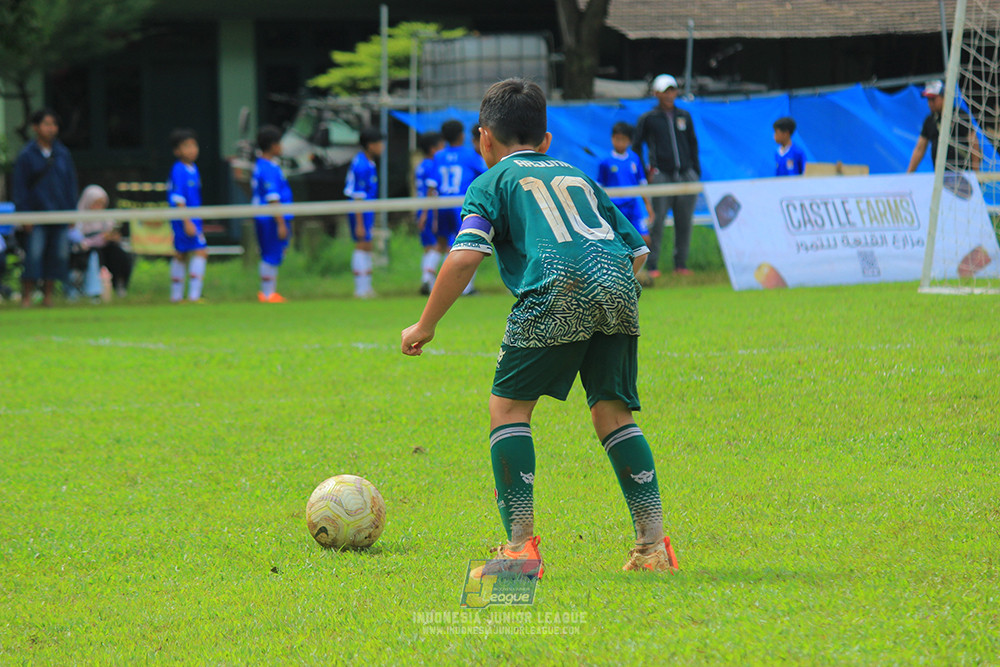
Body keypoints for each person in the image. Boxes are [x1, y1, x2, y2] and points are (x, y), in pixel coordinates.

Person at [401, 78, 680, 576]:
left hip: (556, 288)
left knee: (508, 409)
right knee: (613, 414)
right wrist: (603, 295)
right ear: (545, 140)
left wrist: (425, 324)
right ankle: (654, 548)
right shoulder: (575, 174)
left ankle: (520, 549)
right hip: (618, 285)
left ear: (484, 138)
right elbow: (638, 250)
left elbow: (466, 256)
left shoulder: (490, 182)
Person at [633, 74, 701, 277]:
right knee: (657, 222)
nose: (670, 94)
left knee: (684, 221)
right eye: (665, 91)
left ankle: (681, 264)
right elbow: (637, 147)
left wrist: (695, 171)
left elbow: (692, 144)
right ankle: (652, 266)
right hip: (661, 175)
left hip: (685, 175)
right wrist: (647, 171)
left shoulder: (684, 116)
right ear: (656, 94)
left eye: (672, 90)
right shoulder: (649, 118)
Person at [12, 108, 78, 307]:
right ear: (35, 127)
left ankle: (48, 296)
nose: (51, 129)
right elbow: (19, 187)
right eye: (47, 124)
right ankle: (27, 296)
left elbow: (70, 184)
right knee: (33, 254)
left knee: (58, 255)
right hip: (35, 213)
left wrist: (71, 212)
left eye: (54, 125)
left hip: (59, 213)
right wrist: (24, 216)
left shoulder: (63, 153)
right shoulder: (26, 155)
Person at [426, 119, 487, 295]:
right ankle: (466, 288)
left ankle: (427, 279)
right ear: (462, 135)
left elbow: (431, 186)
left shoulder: (438, 156)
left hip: (442, 203)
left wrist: (431, 210)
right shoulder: (469, 155)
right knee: (468, 245)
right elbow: (486, 174)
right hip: (461, 205)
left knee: (440, 243)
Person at [166, 128, 208, 303]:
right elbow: (178, 199)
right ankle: (193, 296)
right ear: (177, 151)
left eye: (194, 145)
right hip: (184, 219)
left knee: (181, 253)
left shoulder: (193, 169)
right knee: (201, 252)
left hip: (192, 218)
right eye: (186, 146)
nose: (192, 149)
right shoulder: (179, 170)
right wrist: (187, 221)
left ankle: (176, 297)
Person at [252, 125, 293, 303]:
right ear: (272, 145)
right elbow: (272, 198)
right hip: (270, 219)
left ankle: (269, 292)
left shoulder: (265, 165)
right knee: (270, 254)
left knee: (273, 253)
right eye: (279, 143)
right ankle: (268, 294)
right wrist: (281, 222)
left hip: (268, 218)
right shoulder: (268, 168)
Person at [69, 185, 132, 299]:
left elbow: (113, 234)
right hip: (86, 251)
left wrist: (112, 237)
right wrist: (97, 239)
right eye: (96, 203)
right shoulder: (79, 217)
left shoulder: (105, 218)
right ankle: (93, 291)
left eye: (102, 204)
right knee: (95, 255)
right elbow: (78, 239)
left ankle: (119, 285)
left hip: (105, 249)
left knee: (119, 254)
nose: (99, 207)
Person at [597, 121, 653, 247]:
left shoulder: (634, 159)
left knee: (644, 239)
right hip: (615, 207)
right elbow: (600, 186)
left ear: (629, 141)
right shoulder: (605, 161)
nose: (620, 142)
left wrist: (648, 205)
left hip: (633, 206)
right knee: (617, 241)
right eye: (617, 139)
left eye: (623, 139)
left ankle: (639, 266)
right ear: (612, 139)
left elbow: (641, 183)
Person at [906, 80, 982, 173]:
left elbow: (974, 143)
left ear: (944, 97)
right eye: (928, 99)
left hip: (963, 174)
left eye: (933, 99)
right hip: (941, 175)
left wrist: (976, 172)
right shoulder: (930, 120)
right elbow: (920, 148)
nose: (930, 103)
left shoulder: (959, 116)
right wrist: (909, 174)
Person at [344, 127, 383, 299]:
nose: (382, 146)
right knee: (361, 244)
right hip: (359, 211)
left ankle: (366, 288)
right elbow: (357, 197)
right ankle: (360, 289)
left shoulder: (368, 162)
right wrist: (359, 223)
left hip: (366, 210)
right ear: (370, 145)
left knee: (367, 245)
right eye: (379, 143)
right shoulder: (362, 166)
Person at [415, 131, 446, 295]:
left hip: (421, 208)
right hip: (429, 210)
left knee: (429, 248)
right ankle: (427, 279)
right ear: (433, 149)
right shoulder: (433, 165)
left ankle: (428, 281)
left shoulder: (421, 165)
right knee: (438, 246)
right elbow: (431, 191)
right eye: (441, 146)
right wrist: (428, 214)